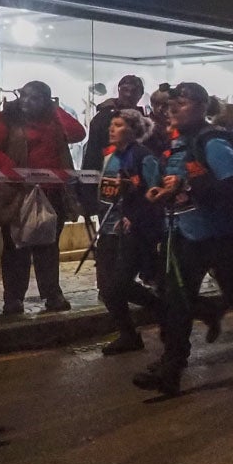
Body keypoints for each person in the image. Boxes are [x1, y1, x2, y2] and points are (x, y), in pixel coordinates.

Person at [132, 82, 233, 396]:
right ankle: (171, 368)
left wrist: (186, 189)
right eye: (171, 103)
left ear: (203, 107)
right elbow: (179, 181)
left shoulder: (212, 141)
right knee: (176, 299)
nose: (173, 108)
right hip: (187, 233)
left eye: (183, 102)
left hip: (225, 233)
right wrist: (164, 192)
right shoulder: (178, 143)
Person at [0, 81, 87, 315]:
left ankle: (52, 294)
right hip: (17, 192)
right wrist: (13, 171)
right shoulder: (5, 119)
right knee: (15, 247)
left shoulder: (53, 119)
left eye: (36, 97)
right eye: (25, 96)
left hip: (51, 192)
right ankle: (13, 299)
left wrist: (56, 110)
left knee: (48, 246)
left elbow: (78, 133)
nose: (28, 101)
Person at [95, 109, 164, 355]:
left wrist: (134, 217)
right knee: (107, 288)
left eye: (118, 125)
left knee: (118, 285)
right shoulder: (112, 157)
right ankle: (128, 334)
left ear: (133, 130)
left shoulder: (143, 157)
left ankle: (162, 309)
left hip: (135, 231)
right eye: (111, 125)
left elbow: (154, 195)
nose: (112, 129)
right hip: (109, 227)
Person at [81, 75, 147, 217]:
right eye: (125, 89)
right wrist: (87, 191)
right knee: (110, 229)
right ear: (119, 90)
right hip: (109, 176)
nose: (129, 94)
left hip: (137, 181)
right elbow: (92, 155)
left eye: (134, 90)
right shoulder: (103, 118)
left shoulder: (144, 119)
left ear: (140, 93)